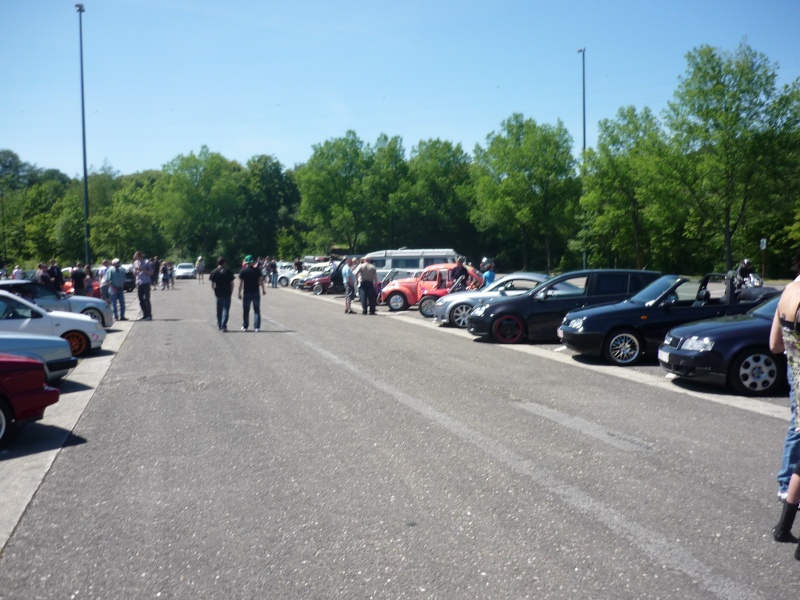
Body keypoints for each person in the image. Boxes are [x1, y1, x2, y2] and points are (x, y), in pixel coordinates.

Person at [771, 249, 800, 503]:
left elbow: (774, 345)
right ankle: (787, 484)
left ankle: (785, 483)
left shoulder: (788, 291)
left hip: (794, 370)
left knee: (797, 425)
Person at [238, 254, 265, 332]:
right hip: (256, 292)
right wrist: (263, 289)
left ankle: (245, 326)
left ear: (246, 262)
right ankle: (257, 327)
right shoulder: (257, 270)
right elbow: (261, 281)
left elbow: (241, 283)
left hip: (247, 292)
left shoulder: (243, 271)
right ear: (252, 261)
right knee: (256, 310)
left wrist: (239, 293)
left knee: (246, 310)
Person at [209, 257, 235, 331]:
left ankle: (219, 324)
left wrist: (215, 291)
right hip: (227, 293)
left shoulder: (214, 272)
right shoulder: (229, 271)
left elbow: (212, 285)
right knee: (226, 309)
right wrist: (231, 292)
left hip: (219, 293)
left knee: (219, 310)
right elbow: (232, 284)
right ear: (224, 263)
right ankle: (224, 326)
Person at [132, 251, 153, 320]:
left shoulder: (146, 262)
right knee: (141, 300)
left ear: (140, 256)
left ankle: (149, 315)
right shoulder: (135, 263)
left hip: (146, 282)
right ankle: (144, 314)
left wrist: (143, 270)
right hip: (139, 283)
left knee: (147, 299)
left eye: (137, 257)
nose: (136, 259)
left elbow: (151, 273)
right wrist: (135, 272)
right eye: (135, 258)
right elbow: (135, 274)